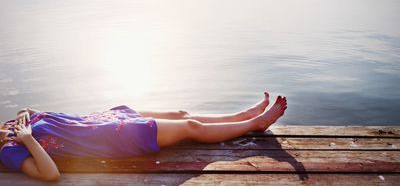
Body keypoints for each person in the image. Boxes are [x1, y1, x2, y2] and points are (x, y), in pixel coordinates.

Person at [0, 91, 287, 182]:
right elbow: (50, 175)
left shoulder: (11, 125)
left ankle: (240, 117)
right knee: (190, 127)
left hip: (109, 119)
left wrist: (30, 112)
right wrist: (27, 138)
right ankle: (256, 124)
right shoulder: (9, 150)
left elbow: (51, 119)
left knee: (180, 113)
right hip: (117, 138)